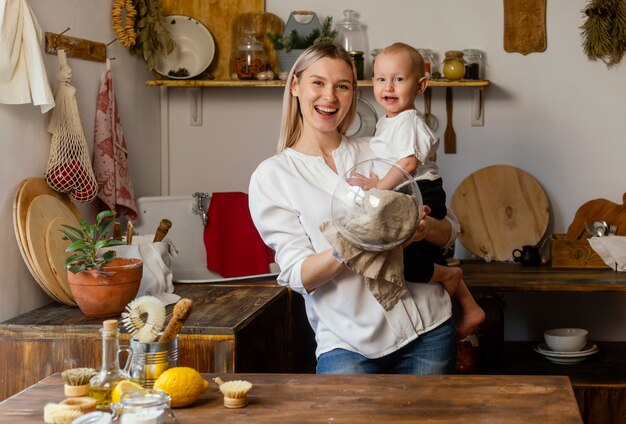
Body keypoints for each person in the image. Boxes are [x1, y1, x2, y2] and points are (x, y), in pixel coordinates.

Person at [248, 42, 460, 375]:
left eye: (342, 86)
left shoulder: (380, 149)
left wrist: (423, 230)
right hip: (348, 345)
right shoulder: (274, 176)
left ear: (353, 93)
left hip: (428, 328)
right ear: (295, 85)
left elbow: (449, 230)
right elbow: (298, 275)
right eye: (318, 82)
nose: (329, 96)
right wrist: (353, 242)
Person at [363, 42, 485, 339]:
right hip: (406, 189)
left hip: (421, 190)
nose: (388, 87)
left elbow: (407, 161)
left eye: (398, 79)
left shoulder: (408, 121)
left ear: (420, 86)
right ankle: (468, 304)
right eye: (381, 79)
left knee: (405, 263)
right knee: (409, 258)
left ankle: (452, 280)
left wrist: (378, 187)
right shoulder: (386, 121)